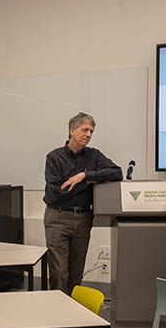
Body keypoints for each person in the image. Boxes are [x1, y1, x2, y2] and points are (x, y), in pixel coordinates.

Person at [43, 112, 122, 297]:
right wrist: (86, 184)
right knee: (58, 272)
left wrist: (86, 175)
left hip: (84, 219)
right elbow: (56, 194)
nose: (88, 134)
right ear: (72, 131)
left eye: (91, 131)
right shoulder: (54, 158)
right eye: (84, 130)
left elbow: (117, 173)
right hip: (57, 218)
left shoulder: (94, 156)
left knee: (76, 273)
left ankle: (72, 317)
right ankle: (57, 320)